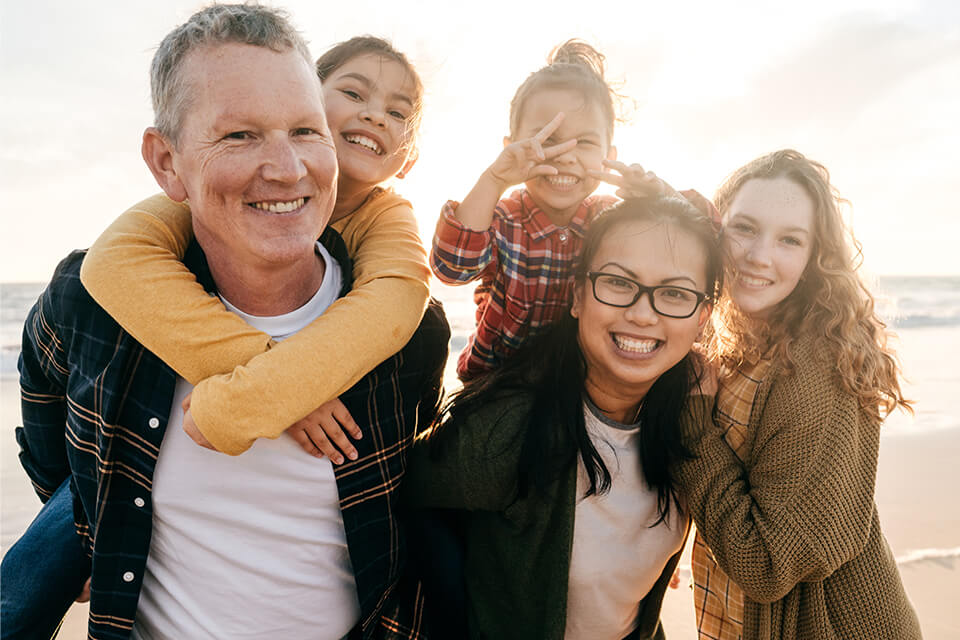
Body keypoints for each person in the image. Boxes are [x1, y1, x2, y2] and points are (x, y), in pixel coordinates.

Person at [9, 5, 448, 640]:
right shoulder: (93, 303)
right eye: (239, 136)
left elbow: (411, 506)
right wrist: (88, 534)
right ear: (167, 163)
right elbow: (45, 416)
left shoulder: (411, 331)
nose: (287, 169)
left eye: (305, 131)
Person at [76, 34, 430, 460]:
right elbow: (112, 261)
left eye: (397, 112)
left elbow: (396, 299)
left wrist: (252, 400)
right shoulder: (207, 193)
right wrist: (281, 391)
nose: (375, 115)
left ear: (408, 160)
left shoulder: (388, 215)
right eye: (354, 93)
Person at [406, 196, 723, 639]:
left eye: (674, 293)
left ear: (702, 319)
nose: (642, 313)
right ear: (577, 296)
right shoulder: (508, 429)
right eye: (618, 282)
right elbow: (411, 496)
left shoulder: (694, 423)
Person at [677, 149, 922, 639]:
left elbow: (768, 564)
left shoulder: (815, 366)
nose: (758, 255)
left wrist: (694, 427)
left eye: (789, 239)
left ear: (814, 257)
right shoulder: (745, 337)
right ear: (717, 227)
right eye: (744, 227)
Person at [430, 40, 713, 381]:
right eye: (547, 139)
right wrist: (494, 178)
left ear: (610, 151)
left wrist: (661, 194)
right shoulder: (501, 219)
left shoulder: (612, 221)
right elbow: (451, 267)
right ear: (510, 146)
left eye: (586, 143)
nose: (565, 155)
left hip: (578, 385)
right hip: (496, 382)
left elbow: (709, 240)